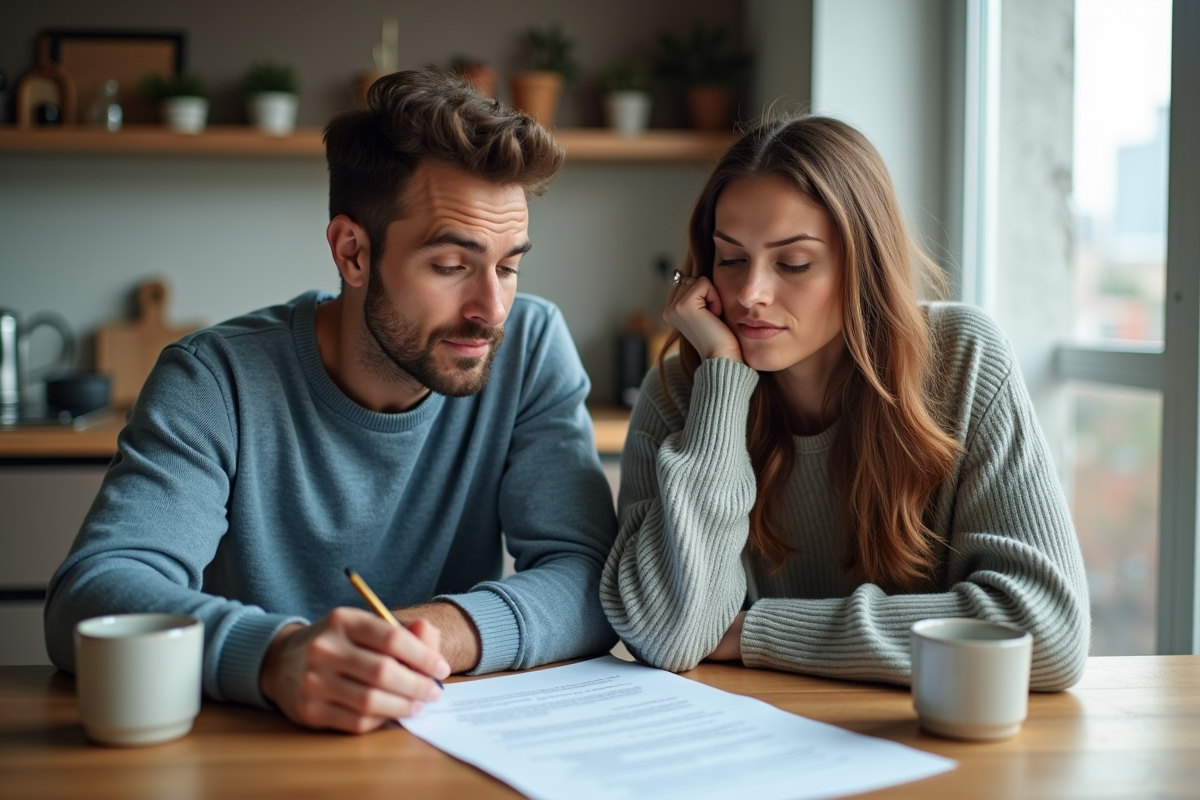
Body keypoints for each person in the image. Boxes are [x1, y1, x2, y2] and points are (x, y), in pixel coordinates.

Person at [45, 68, 618, 733]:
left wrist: (433, 634)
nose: (491, 310)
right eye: (451, 266)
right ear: (353, 253)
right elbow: (91, 598)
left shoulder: (530, 346)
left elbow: (591, 580)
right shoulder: (215, 380)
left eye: (509, 265)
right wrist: (277, 656)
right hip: (253, 754)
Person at [600, 115, 1089, 691]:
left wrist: (756, 632)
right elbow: (665, 634)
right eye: (731, 259)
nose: (750, 294)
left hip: (914, 744)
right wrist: (723, 383)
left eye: (794, 263)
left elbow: (1045, 631)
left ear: (863, 266)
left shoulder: (964, 359)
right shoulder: (683, 391)